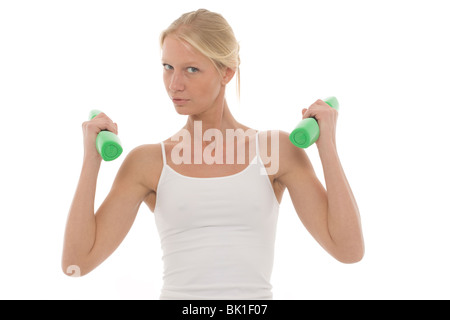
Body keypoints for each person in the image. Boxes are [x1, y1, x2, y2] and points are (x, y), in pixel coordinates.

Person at [62, 9, 364, 300]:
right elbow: (76, 263)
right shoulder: (149, 162)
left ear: (226, 72)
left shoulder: (274, 151)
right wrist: (91, 160)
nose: (174, 84)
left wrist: (328, 148)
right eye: (168, 67)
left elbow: (348, 250)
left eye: (191, 69)